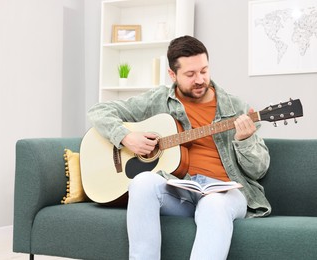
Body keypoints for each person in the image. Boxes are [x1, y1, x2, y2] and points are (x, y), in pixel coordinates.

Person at [88, 35, 271, 260]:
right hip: (179, 189)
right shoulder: (158, 100)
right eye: (190, 74)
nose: (200, 79)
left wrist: (245, 140)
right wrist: (126, 137)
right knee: (142, 182)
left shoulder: (237, 108)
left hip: (224, 193)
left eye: (204, 71)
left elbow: (259, 170)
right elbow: (98, 111)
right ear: (173, 75)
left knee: (213, 204)